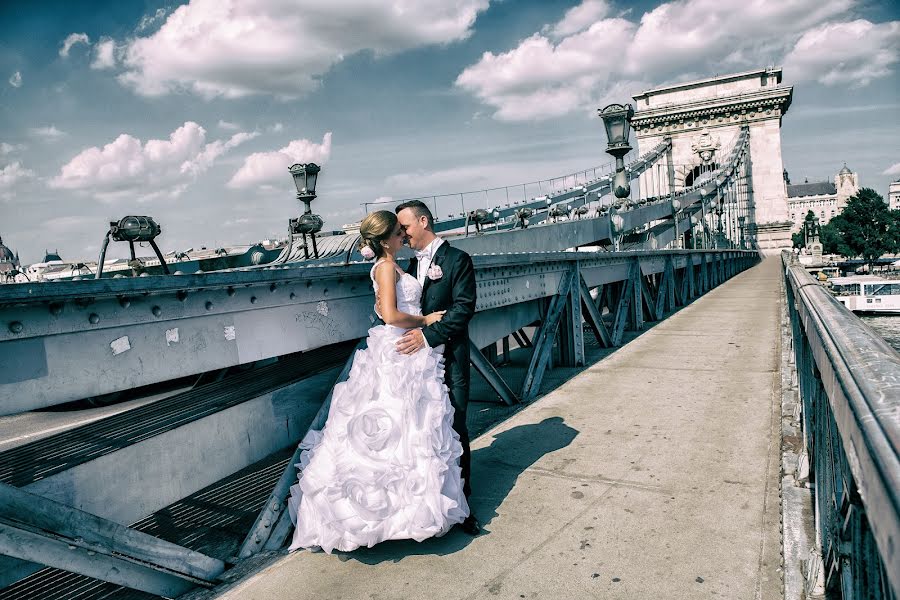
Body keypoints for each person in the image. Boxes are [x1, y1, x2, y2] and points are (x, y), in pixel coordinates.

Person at [287, 210, 469, 554]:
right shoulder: (386, 267)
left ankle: (411, 513)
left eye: (405, 229)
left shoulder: (396, 265)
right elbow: (389, 314)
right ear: (385, 239)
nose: (403, 235)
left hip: (407, 348)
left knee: (413, 426)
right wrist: (426, 319)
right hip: (398, 347)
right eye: (398, 232)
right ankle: (382, 516)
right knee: (394, 423)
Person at [393, 200, 480, 536]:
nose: (403, 234)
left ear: (423, 221)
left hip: (449, 358)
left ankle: (464, 507)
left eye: (406, 227)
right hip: (415, 367)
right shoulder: (406, 265)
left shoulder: (458, 260)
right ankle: (427, 506)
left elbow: (463, 310)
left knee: (455, 429)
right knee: (423, 433)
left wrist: (427, 337)